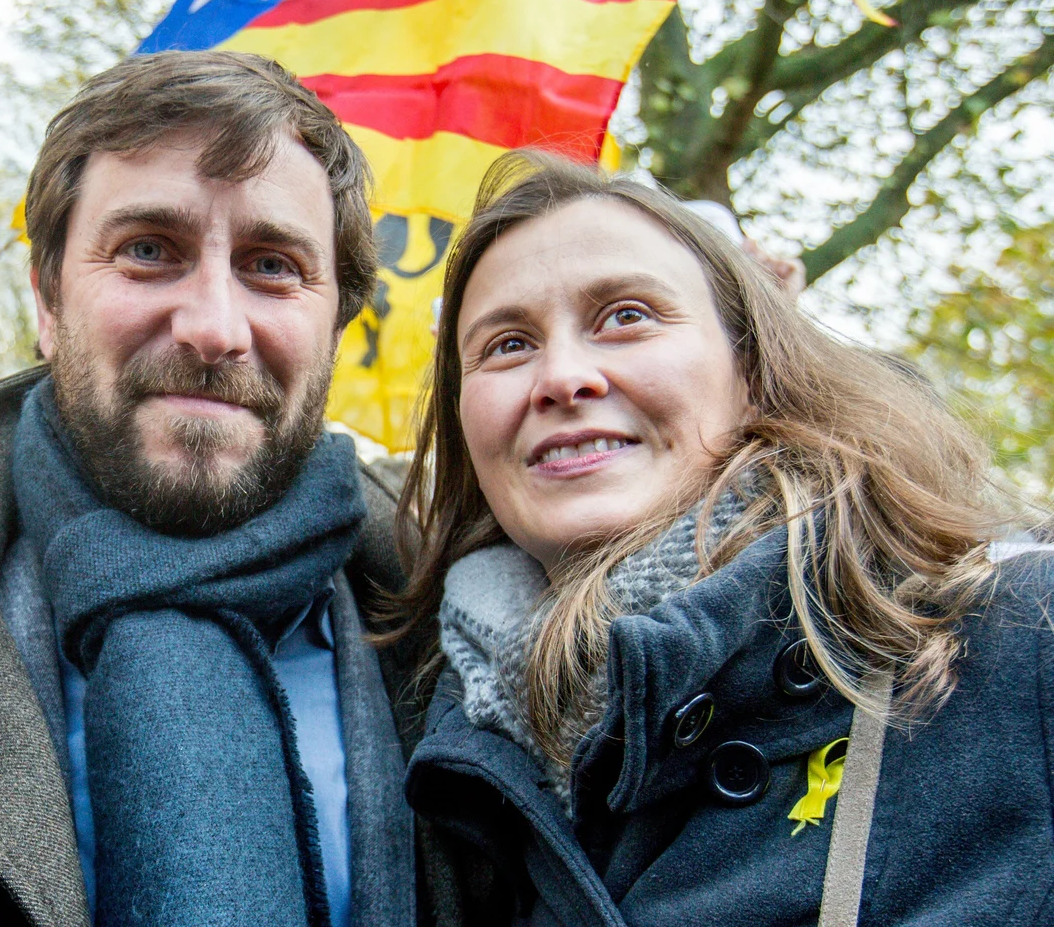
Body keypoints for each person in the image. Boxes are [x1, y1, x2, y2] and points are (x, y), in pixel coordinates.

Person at [0, 50, 425, 927]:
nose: (212, 327)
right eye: (147, 251)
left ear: (336, 322)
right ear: (48, 303)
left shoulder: (460, 648)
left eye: (273, 264)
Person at [393, 150, 1053, 926]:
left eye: (626, 316)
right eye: (507, 344)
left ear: (754, 363)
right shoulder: (440, 761)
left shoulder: (1020, 637)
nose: (562, 377)